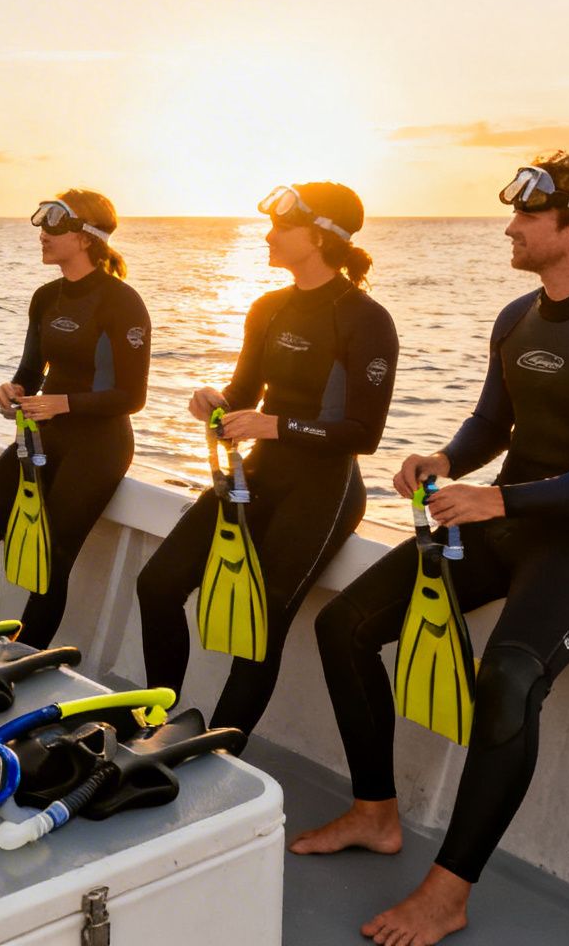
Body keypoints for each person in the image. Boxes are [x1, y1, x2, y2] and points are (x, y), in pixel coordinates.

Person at [290, 151, 569, 945]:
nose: (509, 227)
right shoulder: (518, 316)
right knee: (347, 625)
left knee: (506, 679)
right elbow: (492, 425)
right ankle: (376, 812)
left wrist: (498, 497)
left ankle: (447, 892)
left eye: (528, 218)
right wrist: (445, 462)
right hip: (503, 515)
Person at [134, 182, 396, 732]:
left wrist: (275, 425)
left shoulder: (365, 319)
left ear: (321, 237)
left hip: (323, 490)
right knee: (157, 583)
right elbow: (244, 394)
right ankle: (158, 722)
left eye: (282, 227)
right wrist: (215, 403)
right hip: (258, 476)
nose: (269, 236)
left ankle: (224, 751)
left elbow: (362, 434)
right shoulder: (268, 307)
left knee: (263, 620)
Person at [0, 190, 149, 649]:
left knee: (52, 559)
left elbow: (132, 396)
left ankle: (22, 658)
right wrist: (13, 391)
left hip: (98, 446)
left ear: (84, 236)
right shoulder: (45, 297)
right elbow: (29, 371)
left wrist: (64, 404)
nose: (42, 232)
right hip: (45, 436)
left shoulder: (123, 302)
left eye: (54, 224)